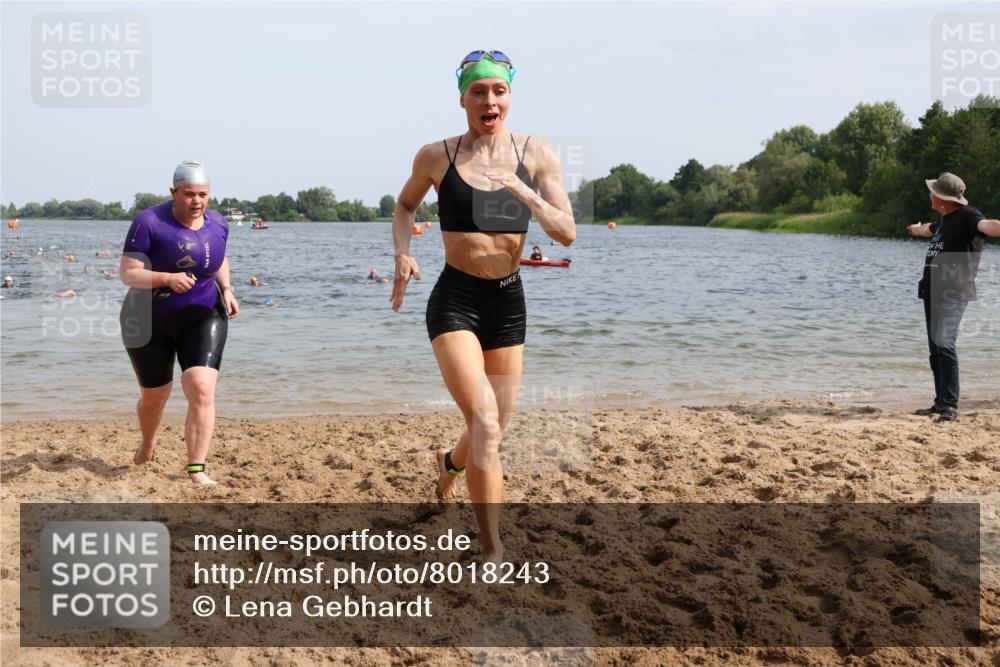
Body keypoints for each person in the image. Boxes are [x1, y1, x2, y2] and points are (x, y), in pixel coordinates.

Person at [391, 50, 575, 560]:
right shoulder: (437, 156)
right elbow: (405, 205)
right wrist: (403, 253)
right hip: (455, 298)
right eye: (478, 91)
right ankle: (492, 547)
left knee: (493, 423)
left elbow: (567, 234)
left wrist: (526, 193)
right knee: (487, 422)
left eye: (498, 90)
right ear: (463, 100)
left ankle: (449, 463)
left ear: (509, 97)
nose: (488, 99)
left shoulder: (535, 153)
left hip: (507, 302)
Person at [118, 160, 239, 484]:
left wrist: (226, 289)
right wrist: (167, 278)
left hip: (203, 313)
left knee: (201, 387)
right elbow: (128, 273)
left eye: (202, 194)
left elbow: (219, 255)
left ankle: (196, 469)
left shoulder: (218, 223)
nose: (196, 201)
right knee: (154, 398)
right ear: (173, 192)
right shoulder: (148, 223)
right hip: (147, 319)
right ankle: (148, 441)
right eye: (188, 194)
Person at [907, 172, 1000, 422]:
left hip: (952, 293)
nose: (930, 195)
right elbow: (930, 229)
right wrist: (916, 229)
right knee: (935, 349)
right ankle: (940, 402)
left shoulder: (969, 216)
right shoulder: (944, 218)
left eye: (933, 192)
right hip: (932, 290)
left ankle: (950, 405)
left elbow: (986, 226)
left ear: (942, 198)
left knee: (945, 345)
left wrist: (997, 226)